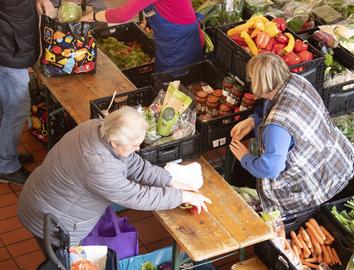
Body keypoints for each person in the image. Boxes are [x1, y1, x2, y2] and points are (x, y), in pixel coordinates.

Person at [17, 107, 211, 254]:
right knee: (64, 263)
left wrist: (168, 180)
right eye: (134, 144)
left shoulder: (95, 127)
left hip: (44, 197)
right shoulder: (99, 166)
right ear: (114, 142)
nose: (137, 149)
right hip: (51, 219)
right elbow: (136, 196)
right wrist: (181, 196)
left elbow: (132, 163)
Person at [229, 53, 354, 216]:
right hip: (337, 160)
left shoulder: (277, 126)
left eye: (252, 78)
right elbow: (272, 106)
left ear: (262, 82)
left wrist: (245, 158)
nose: (249, 80)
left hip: (315, 182)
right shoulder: (296, 81)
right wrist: (253, 120)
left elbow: (271, 168)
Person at [0, 0, 56, 185]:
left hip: (13, 46)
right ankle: (7, 166)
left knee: (6, 106)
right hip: (8, 53)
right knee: (17, 110)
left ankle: (5, 154)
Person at [80, 0, 204, 73]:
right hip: (173, 37)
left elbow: (123, 15)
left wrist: (93, 16)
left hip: (181, 43)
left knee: (174, 84)